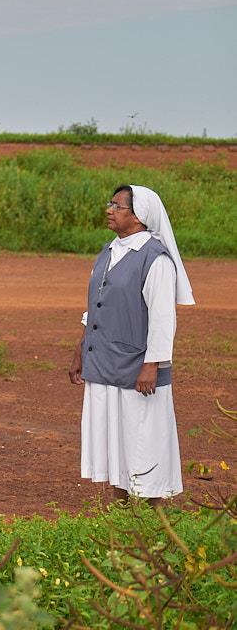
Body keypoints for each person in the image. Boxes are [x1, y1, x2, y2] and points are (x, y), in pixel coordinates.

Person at [69, 184, 195, 502]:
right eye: (110, 203)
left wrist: (152, 365)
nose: (109, 210)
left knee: (144, 438)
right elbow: (98, 302)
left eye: (117, 206)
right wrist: (81, 348)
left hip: (137, 367)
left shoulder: (155, 259)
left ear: (139, 216)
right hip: (104, 361)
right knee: (115, 436)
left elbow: (163, 318)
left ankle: (154, 514)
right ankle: (121, 506)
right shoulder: (108, 251)